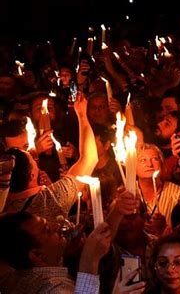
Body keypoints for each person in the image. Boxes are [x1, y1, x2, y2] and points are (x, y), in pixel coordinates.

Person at [3, 92, 98, 222]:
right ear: (31, 175)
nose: (33, 153)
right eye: (30, 155)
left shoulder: (4, 204)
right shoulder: (50, 200)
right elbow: (90, 158)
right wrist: (82, 115)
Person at [0, 212, 112, 294]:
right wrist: (90, 259)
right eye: (47, 230)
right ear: (37, 255)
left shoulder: (15, 278)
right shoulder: (54, 288)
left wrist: (67, 255)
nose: (56, 226)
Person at [136, 143, 180, 227]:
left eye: (155, 159)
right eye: (143, 160)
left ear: (162, 165)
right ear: (134, 167)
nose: (149, 164)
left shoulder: (178, 194)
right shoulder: (127, 193)